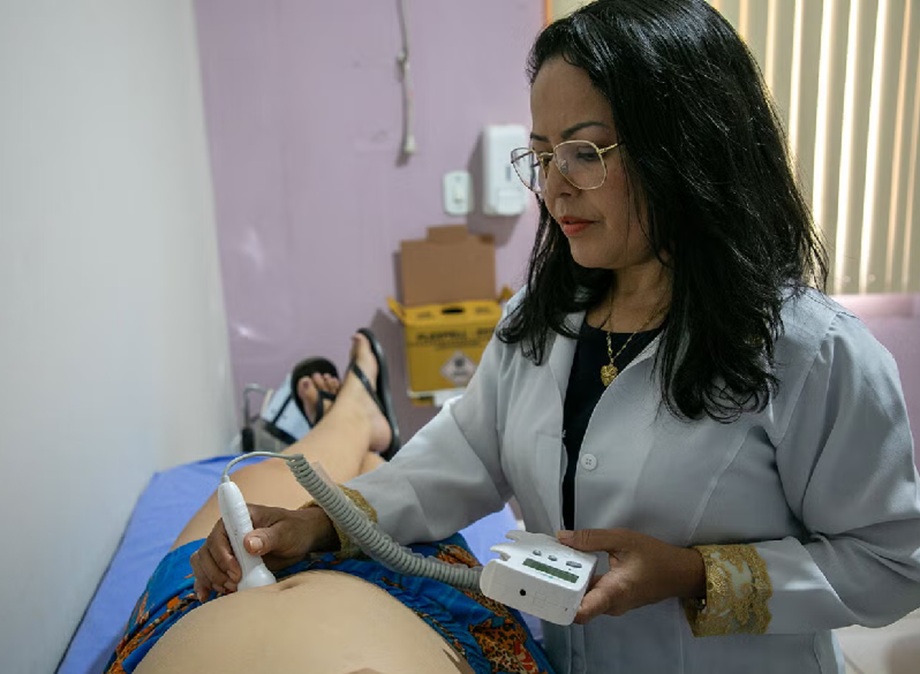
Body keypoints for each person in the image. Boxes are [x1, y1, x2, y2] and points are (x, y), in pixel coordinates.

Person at [181, 1, 920, 672]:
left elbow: (894, 563)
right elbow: (456, 462)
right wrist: (318, 522)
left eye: (586, 152)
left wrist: (695, 574)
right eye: (542, 155)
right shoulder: (539, 324)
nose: (555, 185)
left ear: (686, 150)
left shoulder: (813, 354)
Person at [105, 329, 555, 674]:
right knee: (360, 476)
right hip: (415, 596)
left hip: (200, 597)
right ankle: (355, 418)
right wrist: (322, 523)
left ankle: (347, 416)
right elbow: (460, 457)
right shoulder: (544, 310)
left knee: (265, 479)